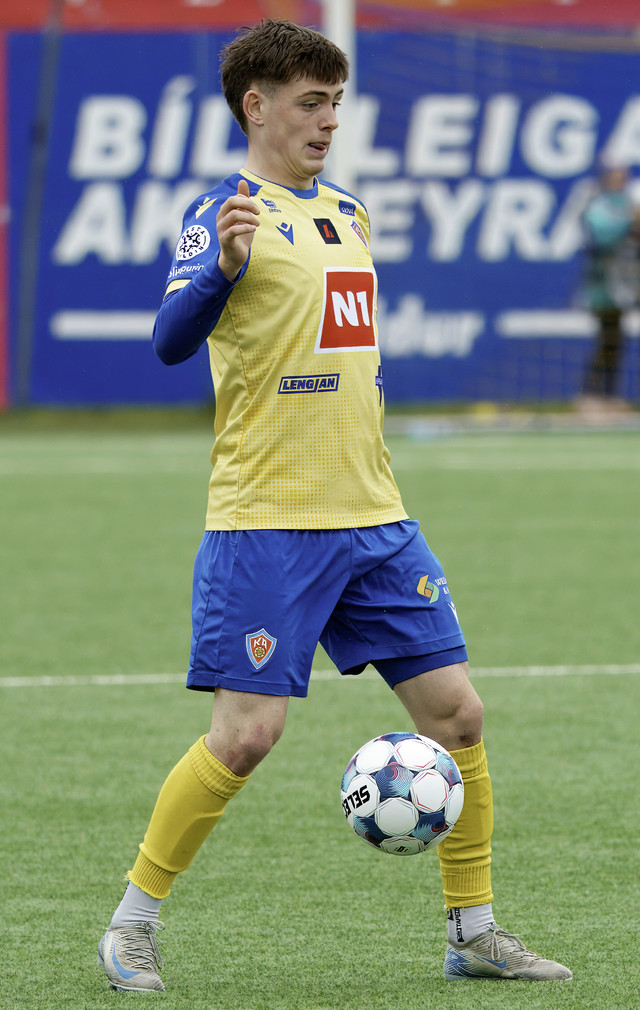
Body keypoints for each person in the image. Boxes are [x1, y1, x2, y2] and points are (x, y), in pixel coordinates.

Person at [97, 19, 572, 992]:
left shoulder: (348, 213)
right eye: (310, 103)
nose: (328, 121)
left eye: (335, 104)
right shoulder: (223, 213)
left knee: (458, 717)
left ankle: (474, 930)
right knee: (246, 736)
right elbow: (170, 340)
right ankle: (130, 925)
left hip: (375, 517)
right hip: (267, 520)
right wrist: (220, 274)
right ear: (256, 106)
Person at [576, 162, 639, 416]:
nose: (620, 181)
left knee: (617, 340)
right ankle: (591, 394)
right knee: (607, 337)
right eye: (616, 176)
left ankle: (608, 395)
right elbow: (602, 236)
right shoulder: (599, 205)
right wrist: (630, 222)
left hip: (625, 283)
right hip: (603, 284)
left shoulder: (627, 203)